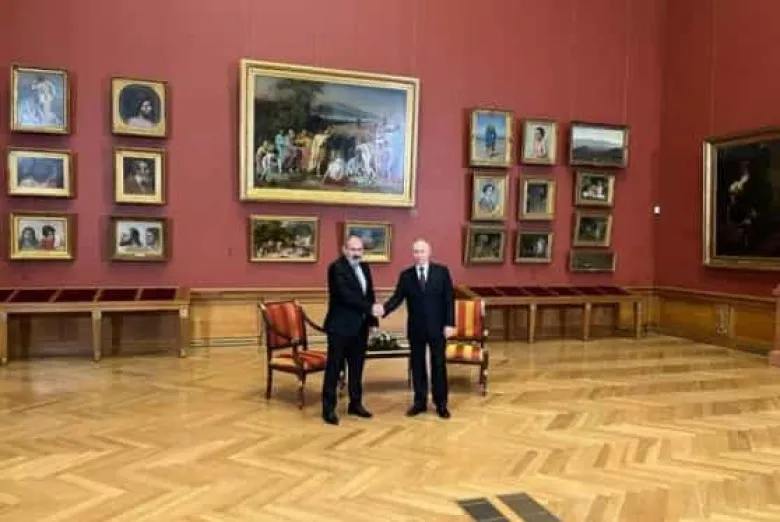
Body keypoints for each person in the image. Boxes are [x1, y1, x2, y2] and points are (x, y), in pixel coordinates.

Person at [376, 239, 455, 418]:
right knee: (417, 365)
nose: (419, 255)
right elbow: (397, 298)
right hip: (416, 328)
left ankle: (441, 404)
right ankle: (420, 402)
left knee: (438, 365)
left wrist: (450, 323)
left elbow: (449, 299)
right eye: (416, 252)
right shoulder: (406, 276)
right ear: (413, 254)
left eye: (422, 251)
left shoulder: (441, 272)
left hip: (437, 328)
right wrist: (383, 309)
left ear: (429, 252)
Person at [321, 235, 378, 425]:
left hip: (360, 328)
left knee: (357, 367)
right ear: (344, 250)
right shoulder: (336, 268)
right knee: (334, 368)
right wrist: (370, 308)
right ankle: (328, 409)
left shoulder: (365, 267)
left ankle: (355, 404)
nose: (357, 253)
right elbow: (345, 296)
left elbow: (370, 294)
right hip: (340, 327)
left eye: (360, 250)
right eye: (353, 250)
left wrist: (373, 322)